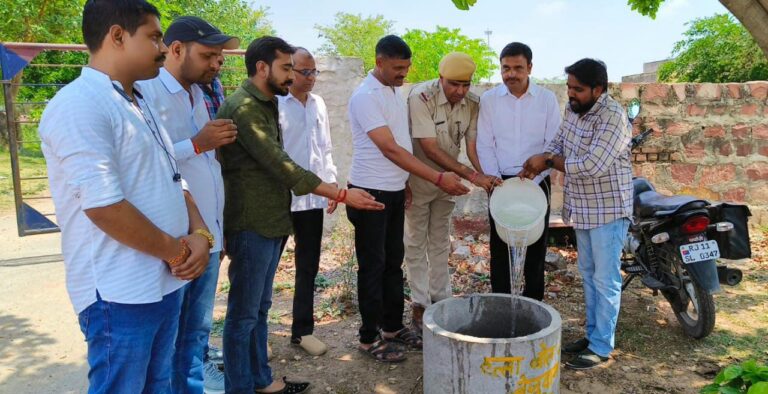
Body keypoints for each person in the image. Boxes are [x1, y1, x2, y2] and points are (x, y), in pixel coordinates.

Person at [39, 1, 211, 392]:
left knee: (158, 384)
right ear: (117, 36)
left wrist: (200, 233)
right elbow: (104, 206)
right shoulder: (79, 105)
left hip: (164, 281)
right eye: (153, 37)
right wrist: (176, 251)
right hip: (120, 293)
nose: (163, 48)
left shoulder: (137, 102)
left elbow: (173, 177)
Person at [216, 36, 383, 394]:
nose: (293, 76)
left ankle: (261, 380)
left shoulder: (266, 103)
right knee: (243, 315)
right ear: (263, 68)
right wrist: (340, 192)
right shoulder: (244, 108)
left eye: (299, 69)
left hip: (272, 217)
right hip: (252, 221)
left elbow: (317, 150)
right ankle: (240, 387)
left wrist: (332, 184)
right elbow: (283, 166)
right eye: (287, 67)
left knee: (259, 308)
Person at [346, 35, 469, 363]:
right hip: (369, 191)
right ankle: (368, 338)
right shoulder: (365, 96)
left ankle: (391, 328)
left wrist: (406, 182)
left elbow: (401, 143)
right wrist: (437, 177)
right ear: (379, 61)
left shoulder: (394, 91)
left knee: (392, 262)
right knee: (372, 267)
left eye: (406, 68)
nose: (403, 74)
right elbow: (390, 148)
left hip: (395, 189)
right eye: (398, 68)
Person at [136, 16, 238, 394]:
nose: (216, 63)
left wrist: (218, 230)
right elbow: (145, 164)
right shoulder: (148, 94)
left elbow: (209, 171)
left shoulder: (201, 93)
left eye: (218, 57)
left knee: (195, 332)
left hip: (206, 234)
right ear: (176, 49)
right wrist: (196, 143)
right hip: (173, 239)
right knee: (168, 338)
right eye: (208, 55)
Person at [520, 58, 633, 369]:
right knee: (588, 275)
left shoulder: (613, 117)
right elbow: (559, 142)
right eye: (569, 87)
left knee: (606, 279)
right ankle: (592, 335)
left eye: (578, 89)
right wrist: (538, 163)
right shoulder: (574, 109)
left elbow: (591, 165)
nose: (571, 94)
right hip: (583, 208)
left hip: (608, 210)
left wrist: (548, 162)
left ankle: (601, 347)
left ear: (599, 89)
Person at [404, 52, 500, 333]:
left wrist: (484, 176)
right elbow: (429, 147)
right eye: (454, 84)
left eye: (466, 84)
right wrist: (470, 175)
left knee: (439, 242)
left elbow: (471, 146)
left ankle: (441, 301)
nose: (460, 91)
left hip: (448, 184)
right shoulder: (420, 97)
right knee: (414, 243)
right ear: (440, 77)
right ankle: (419, 306)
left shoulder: (472, 103)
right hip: (419, 180)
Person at [476, 42, 561, 300]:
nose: (510, 74)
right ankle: (500, 302)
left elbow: (554, 142)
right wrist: (493, 180)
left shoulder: (546, 99)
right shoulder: (489, 100)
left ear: (530, 68)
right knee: (500, 246)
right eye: (505, 68)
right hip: (500, 183)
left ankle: (534, 303)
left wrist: (539, 176)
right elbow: (485, 142)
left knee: (535, 246)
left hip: (538, 181)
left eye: (517, 68)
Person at [278, 47, 336, 356]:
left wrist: (332, 180)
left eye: (314, 72)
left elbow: (324, 146)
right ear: (289, 71)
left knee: (308, 266)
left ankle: (302, 331)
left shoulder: (319, 104)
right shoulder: (274, 104)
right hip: (280, 198)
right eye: (305, 72)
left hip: (314, 197)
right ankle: (257, 335)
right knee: (266, 268)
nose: (311, 78)